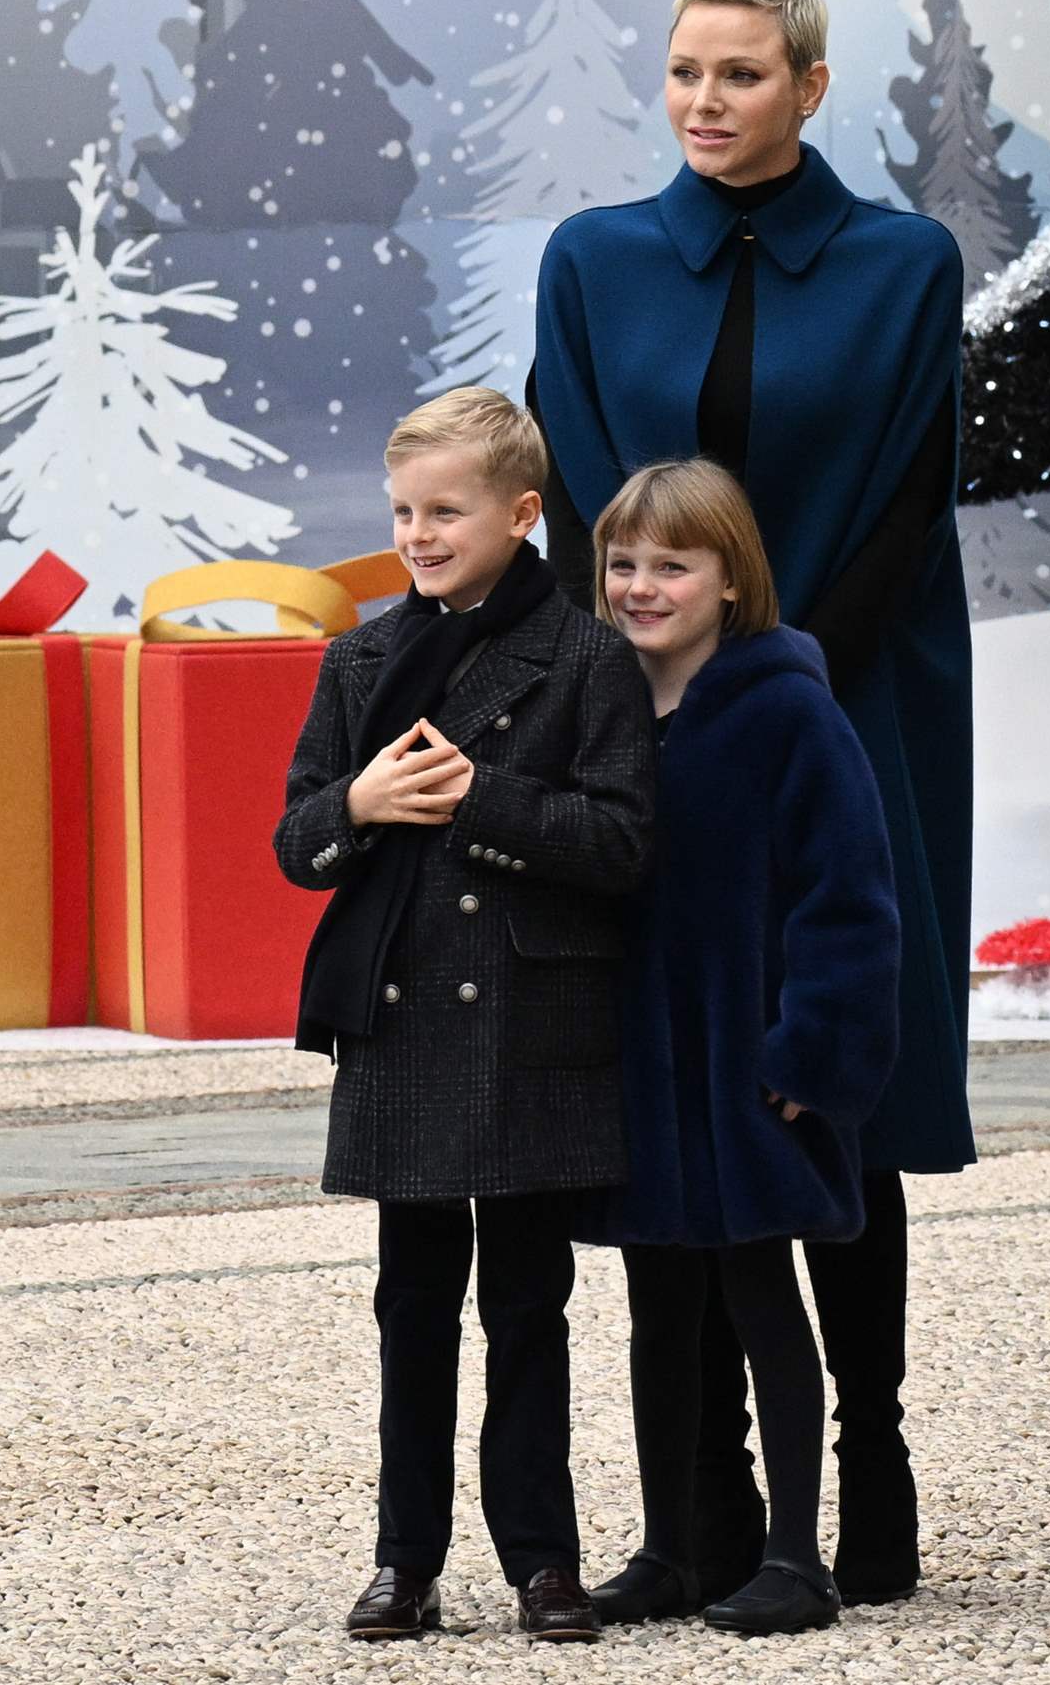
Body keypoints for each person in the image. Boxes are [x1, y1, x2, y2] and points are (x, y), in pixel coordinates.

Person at [530, 0, 975, 1608]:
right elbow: (582, 477)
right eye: (683, 73)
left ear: (808, 83)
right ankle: (706, 1510)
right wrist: (632, 689)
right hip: (641, 719)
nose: (706, 102)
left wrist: (777, 674)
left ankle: (876, 1464)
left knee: (832, 1091)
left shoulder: (904, 266)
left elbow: (911, 497)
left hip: (844, 709)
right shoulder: (591, 264)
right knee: (672, 1093)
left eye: (741, 74)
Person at [273, 386, 656, 1644]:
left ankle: (545, 1560)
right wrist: (364, 804)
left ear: (523, 513)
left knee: (530, 1310)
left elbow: (620, 844)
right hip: (401, 1024)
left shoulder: (591, 657)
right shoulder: (360, 656)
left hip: (533, 1026)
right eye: (401, 512)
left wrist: (479, 797)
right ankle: (405, 1562)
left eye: (446, 510)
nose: (419, 534)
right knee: (411, 1306)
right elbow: (295, 839)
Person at [577, 458, 900, 1636]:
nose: (642, 586)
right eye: (625, 563)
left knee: (763, 1298)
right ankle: (674, 1546)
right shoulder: (603, 707)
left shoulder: (788, 711)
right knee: (659, 1308)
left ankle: (796, 1557)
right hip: (642, 1071)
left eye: (674, 565)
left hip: (747, 1069)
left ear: (729, 581)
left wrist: (809, 1056)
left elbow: (851, 901)